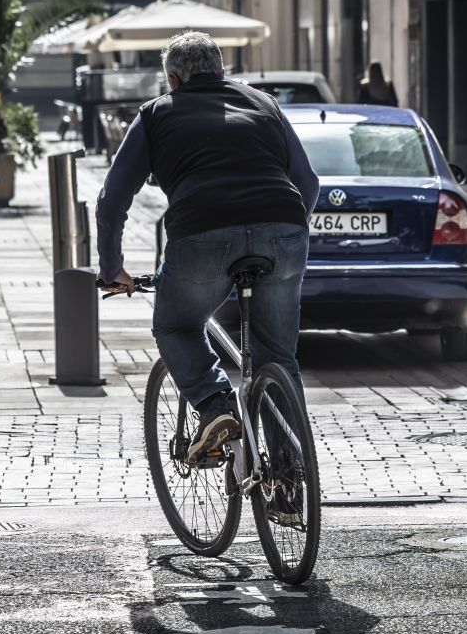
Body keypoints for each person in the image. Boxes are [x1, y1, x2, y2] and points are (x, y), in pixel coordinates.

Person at [96, 31, 320, 466]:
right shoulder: (264, 104)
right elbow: (308, 183)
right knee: (278, 356)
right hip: (284, 226)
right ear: (222, 71)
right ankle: (291, 487)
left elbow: (112, 200)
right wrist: (282, 233)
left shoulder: (156, 114)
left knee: (177, 326)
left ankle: (216, 408)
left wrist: (113, 267)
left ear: (173, 79)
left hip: (202, 233)